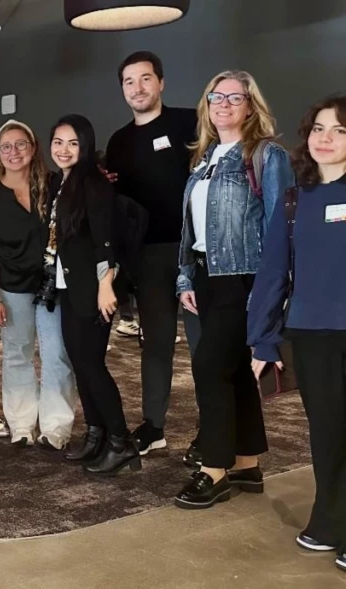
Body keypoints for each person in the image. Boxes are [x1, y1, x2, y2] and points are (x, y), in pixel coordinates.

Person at [173, 71, 295, 510]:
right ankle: (245, 463)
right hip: (207, 277)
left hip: (244, 277)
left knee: (210, 368)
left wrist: (268, 291)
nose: (223, 103)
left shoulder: (267, 155)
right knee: (235, 371)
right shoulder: (203, 158)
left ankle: (215, 468)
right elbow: (192, 227)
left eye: (234, 97)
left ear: (250, 106)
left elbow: (280, 229)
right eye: (215, 96)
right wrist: (186, 274)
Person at [248, 95, 346, 569]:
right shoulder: (294, 199)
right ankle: (329, 519)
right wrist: (262, 339)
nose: (325, 138)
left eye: (340, 130)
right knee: (326, 431)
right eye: (319, 129)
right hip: (311, 332)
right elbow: (273, 274)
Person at [104, 51, 204, 461]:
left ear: (160, 82)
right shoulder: (119, 142)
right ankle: (154, 426)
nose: (138, 88)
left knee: (204, 345)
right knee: (156, 343)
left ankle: (211, 429)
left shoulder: (190, 123)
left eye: (145, 79)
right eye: (129, 81)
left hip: (195, 252)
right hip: (148, 256)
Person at [0, 119, 76, 450]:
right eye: (6, 146)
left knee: (56, 354)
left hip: (53, 288)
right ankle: (20, 424)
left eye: (20, 145)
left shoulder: (55, 184)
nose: (14, 152)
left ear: (32, 149)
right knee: (17, 354)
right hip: (12, 289)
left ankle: (56, 427)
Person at [47, 114, 140, 475]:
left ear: (85, 146)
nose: (64, 149)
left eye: (72, 143)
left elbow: (106, 240)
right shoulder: (60, 182)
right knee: (81, 364)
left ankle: (121, 442)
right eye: (58, 142)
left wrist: (106, 285)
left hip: (94, 289)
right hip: (70, 286)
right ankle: (97, 434)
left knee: (92, 366)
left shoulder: (93, 184)